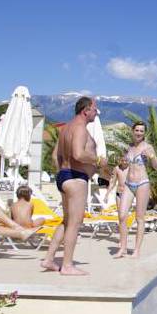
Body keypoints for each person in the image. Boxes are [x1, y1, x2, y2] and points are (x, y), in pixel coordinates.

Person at [41, 96, 105, 275]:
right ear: (86, 110)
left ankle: (49, 259)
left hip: (64, 176)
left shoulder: (66, 128)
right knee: (75, 224)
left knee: (67, 221)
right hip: (76, 178)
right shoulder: (80, 128)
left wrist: (62, 173)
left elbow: (55, 156)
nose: (96, 113)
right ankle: (67, 265)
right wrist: (98, 160)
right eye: (95, 109)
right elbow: (78, 154)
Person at [115, 121, 157, 259]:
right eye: (137, 130)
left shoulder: (148, 147)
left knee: (139, 218)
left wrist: (152, 157)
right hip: (128, 184)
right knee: (122, 215)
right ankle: (123, 248)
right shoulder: (128, 148)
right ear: (132, 131)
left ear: (144, 133)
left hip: (142, 183)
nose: (139, 133)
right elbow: (124, 165)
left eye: (142, 131)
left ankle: (136, 250)